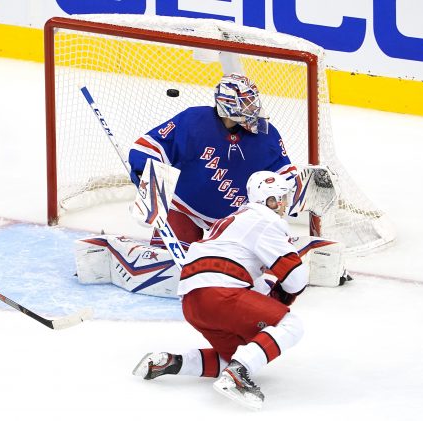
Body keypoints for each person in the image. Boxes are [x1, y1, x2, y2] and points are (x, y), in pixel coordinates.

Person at [132, 171, 308, 410]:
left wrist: (270, 291)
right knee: (291, 325)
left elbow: (250, 279)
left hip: (191, 301)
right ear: (268, 200)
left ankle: (169, 362)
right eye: (280, 198)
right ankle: (237, 375)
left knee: (234, 354)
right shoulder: (267, 221)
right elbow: (296, 281)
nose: (285, 204)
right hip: (220, 292)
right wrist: (287, 288)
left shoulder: (235, 219)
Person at [128, 73, 297, 250]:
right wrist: (147, 181)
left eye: (253, 101)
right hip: (183, 206)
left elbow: (283, 173)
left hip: (235, 218)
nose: (253, 108)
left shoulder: (266, 135)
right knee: (168, 258)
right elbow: (149, 148)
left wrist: (297, 190)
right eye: (246, 102)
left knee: (239, 265)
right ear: (228, 104)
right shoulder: (193, 120)